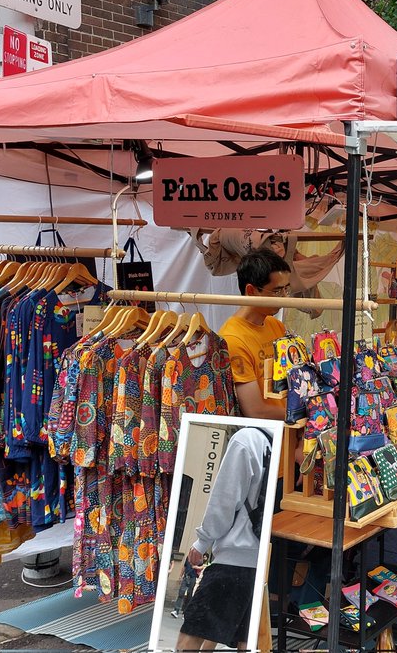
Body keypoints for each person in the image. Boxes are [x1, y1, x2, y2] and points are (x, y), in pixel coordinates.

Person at [177, 426, 273, 651]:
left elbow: (224, 501)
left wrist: (202, 542)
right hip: (263, 565)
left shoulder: (247, 439)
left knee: (191, 636)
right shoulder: (280, 441)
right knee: (247, 642)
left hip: (233, 562)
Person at [220, 249, 291, 420]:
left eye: (286, 289)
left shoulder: (276, 325)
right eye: (276, 291)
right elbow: (256, 410)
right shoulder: (233, 339)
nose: (284, 297)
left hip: (290, 432)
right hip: (267, 440)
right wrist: (309, 413)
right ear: (251, 290)